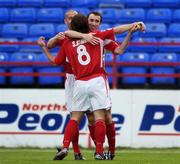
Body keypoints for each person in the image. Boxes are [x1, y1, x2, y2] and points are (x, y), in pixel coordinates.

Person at [38, 13, 142, 160]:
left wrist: (44, 48)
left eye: (96, 21)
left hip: (79, 82)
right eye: (91, 20)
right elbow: (117, 30)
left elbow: (56, 58)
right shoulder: (98, 36)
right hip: (95, 79)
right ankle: (99, 152)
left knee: (76, 117)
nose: (93, 23)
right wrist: (132, 26)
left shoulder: (68, 41)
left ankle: (66, 146)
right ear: (86, 23)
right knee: (100, 117)